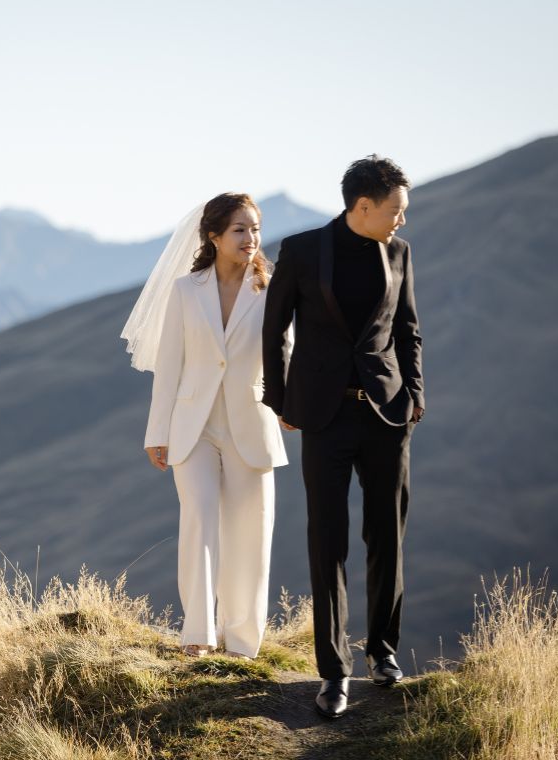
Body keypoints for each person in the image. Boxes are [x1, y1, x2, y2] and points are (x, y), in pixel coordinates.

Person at [261, 155, 424, 719]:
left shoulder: (399, 253)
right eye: (396, 209)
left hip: (387, 416)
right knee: (327, 541)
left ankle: (382, 652)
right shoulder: (304, 250)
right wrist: (279, 400)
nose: (403, 218)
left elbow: (407, 329)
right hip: (324, 419)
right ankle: (333, 672)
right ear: (363, 206)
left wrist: (416, 395)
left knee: (387, 536)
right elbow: (274, 325)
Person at [122, 193, 289, 659]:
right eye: (239, 229)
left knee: (250, 534)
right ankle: (198, 634)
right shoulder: (184, 291)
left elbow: (286, 357)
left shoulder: (273, 290)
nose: (250, 238)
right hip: (192, 426)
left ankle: (241, 643)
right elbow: (169, 367)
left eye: (254, 228)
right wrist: (158, 432)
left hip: (251, 424)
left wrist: (289, 406)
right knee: (198, 523)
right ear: (214, 236)